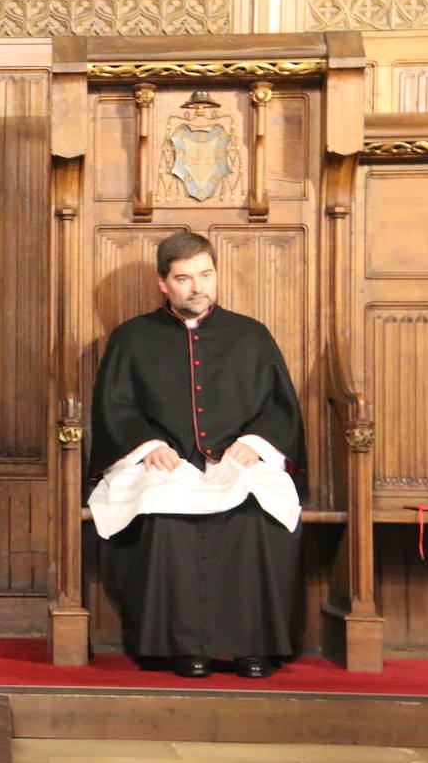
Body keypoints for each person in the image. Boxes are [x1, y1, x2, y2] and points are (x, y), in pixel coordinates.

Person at [87, 231, 305, 679]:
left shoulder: (251, 335)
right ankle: (180, 646)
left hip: (235, 461)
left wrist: (256, 441)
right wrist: (149, 445)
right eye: (184, 278)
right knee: (164, 513)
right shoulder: (132, 337)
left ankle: (253, 646)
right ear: (163, 283)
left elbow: (279, 405)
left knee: (255, 512)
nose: (198, 287)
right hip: (166, 463)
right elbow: (115, 406)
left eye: (205, 275)